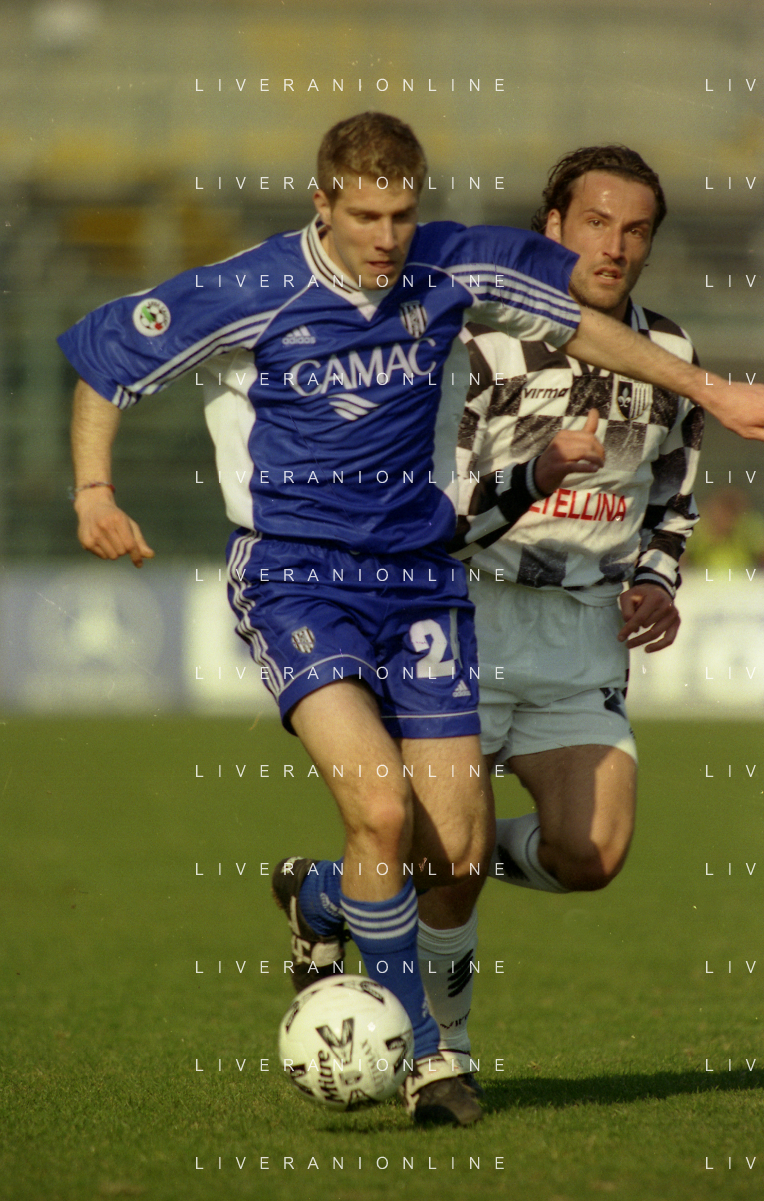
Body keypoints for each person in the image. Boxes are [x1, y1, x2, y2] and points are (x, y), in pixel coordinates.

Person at [58, 115, 764, 1127]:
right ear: (322, 203)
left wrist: (707, 390)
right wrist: (93, 489)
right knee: (384, 813)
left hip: (423, 586)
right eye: (364, 216)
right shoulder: (253, 287)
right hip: (300, 578)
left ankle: (325, 901)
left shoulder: (446, 267)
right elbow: (108, 357)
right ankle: (430, 1056)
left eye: (401, 214)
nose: (387, 237)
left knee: (460, 854)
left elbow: (579, 326)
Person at [417, 145, 703, 1065]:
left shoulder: (673, 355)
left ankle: (349, 882)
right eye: (596, 223)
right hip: (470, 619)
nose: (614, 247)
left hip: (582, 637)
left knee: (593, 854)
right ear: (552, 227)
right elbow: (436, 514)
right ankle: (445, 1050)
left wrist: (656, 581)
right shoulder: (478, 343)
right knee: (452, 867)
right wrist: (534, 476)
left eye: (635, 231)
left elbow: (673, 499)